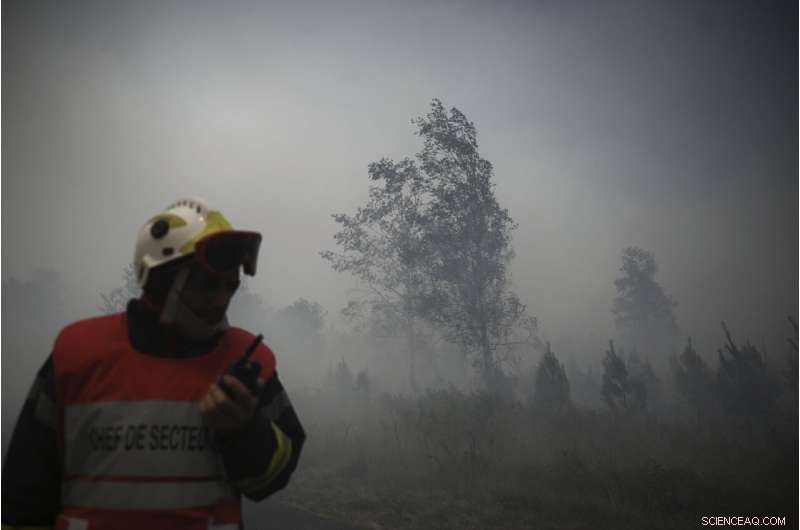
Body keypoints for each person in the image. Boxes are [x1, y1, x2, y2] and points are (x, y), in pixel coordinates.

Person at [2, 198, 306, 529]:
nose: (221, 300)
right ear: (161, 281)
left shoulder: (250, 362)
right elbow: (24, 494)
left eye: (229, 285)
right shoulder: (78, 356)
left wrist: (243, 433)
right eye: (206, 285)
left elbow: (273, 480)